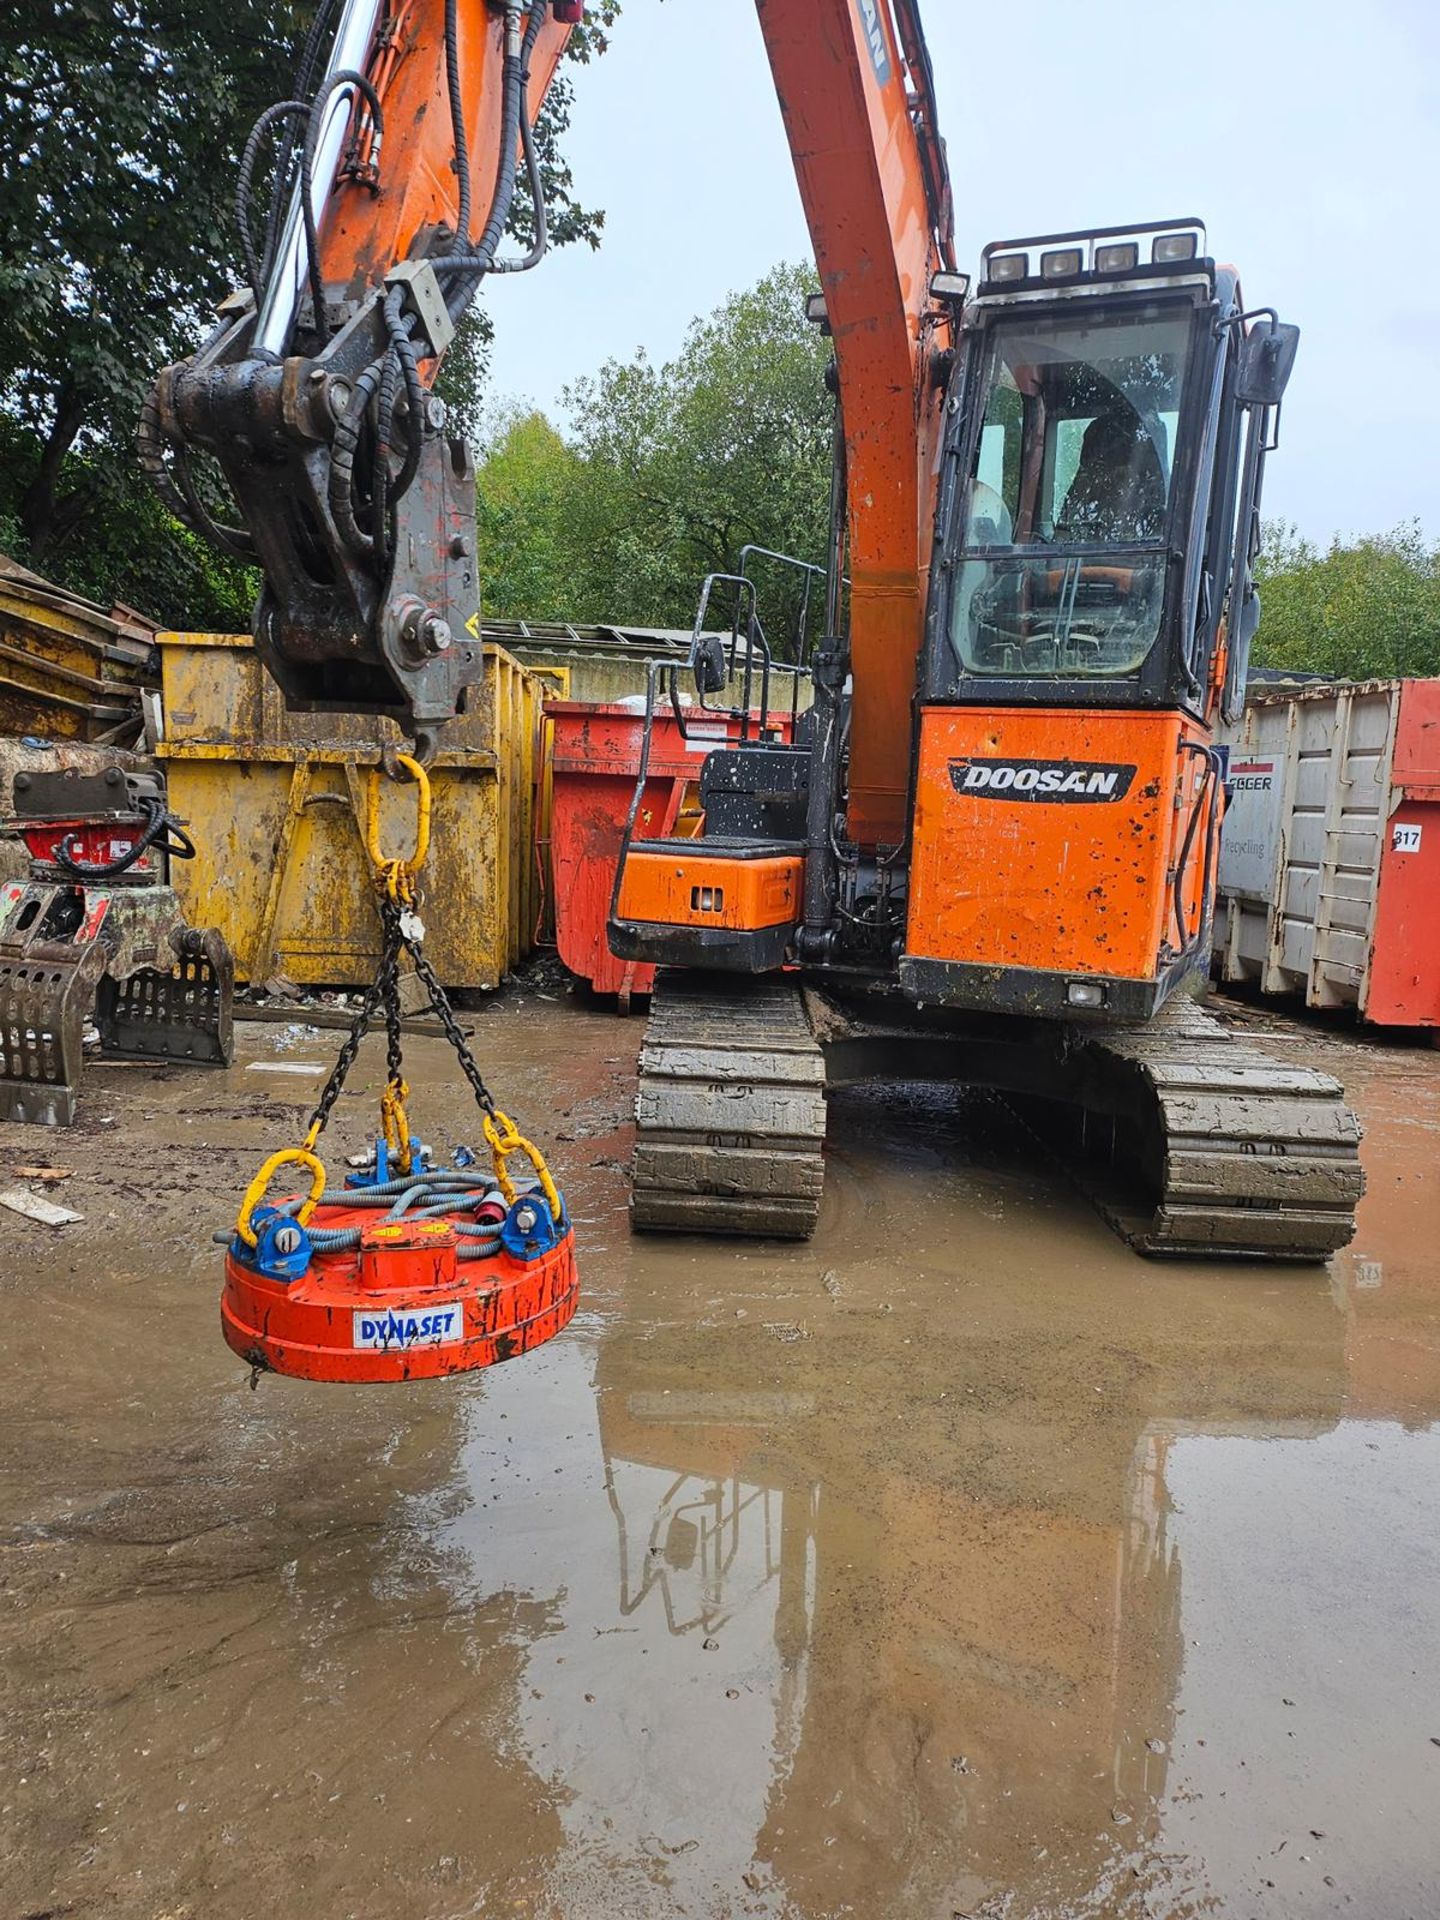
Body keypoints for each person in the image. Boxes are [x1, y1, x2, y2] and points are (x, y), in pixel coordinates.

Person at [1056, 403, 1165, 541]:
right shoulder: (1078, 504)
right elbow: (1060, 541)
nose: (1103, 478)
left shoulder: (1155, 516)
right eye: (1094, 468)